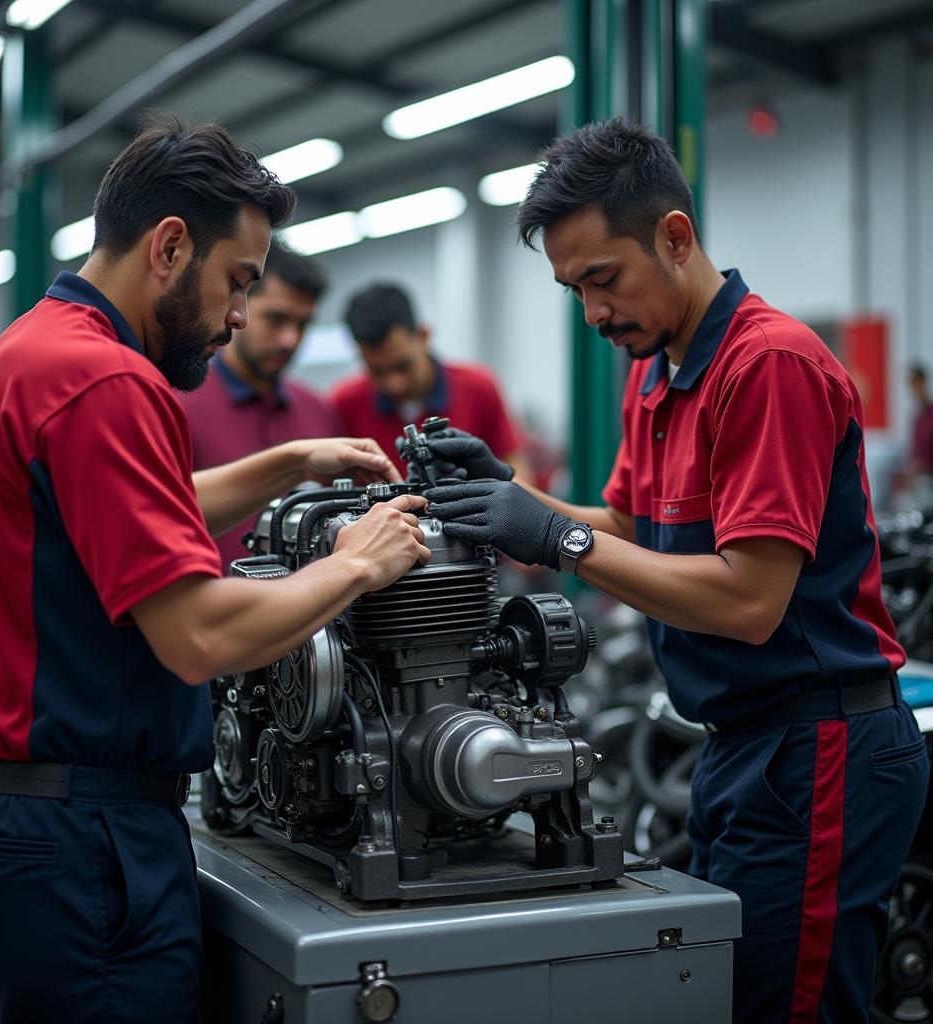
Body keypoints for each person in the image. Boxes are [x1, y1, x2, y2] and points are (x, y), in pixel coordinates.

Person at [0, 117, 429, 1024]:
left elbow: (122, 519)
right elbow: (199, 635)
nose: (239, 317)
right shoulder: (109, 381)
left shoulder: (29, 353)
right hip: (80, 841)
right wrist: (356, 565)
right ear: (169, 247)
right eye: (238, 281)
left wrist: (289, 462)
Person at [423, 118, 927, 1024]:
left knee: (794, 1008)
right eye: (573, 289)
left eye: (603, 280)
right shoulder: (658, 370)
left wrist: (551, 537)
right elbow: (623, 525)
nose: (593, 313)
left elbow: (749, 601)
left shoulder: (766, 366)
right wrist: (511, 496)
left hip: (822, 749)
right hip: (742, 745)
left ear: (676, 237)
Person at [179, 243, 341, 570]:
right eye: (276, 319)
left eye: (303, 324)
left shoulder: (319, 411)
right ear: (240, 306)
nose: (290, 339)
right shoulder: (178, 401)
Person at [332, 282, 530, 476]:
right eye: (376, 371)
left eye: (402, 365)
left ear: (423, 335)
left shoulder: (479, 388)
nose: (394, 383)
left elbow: (517, 471)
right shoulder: (343, 403)